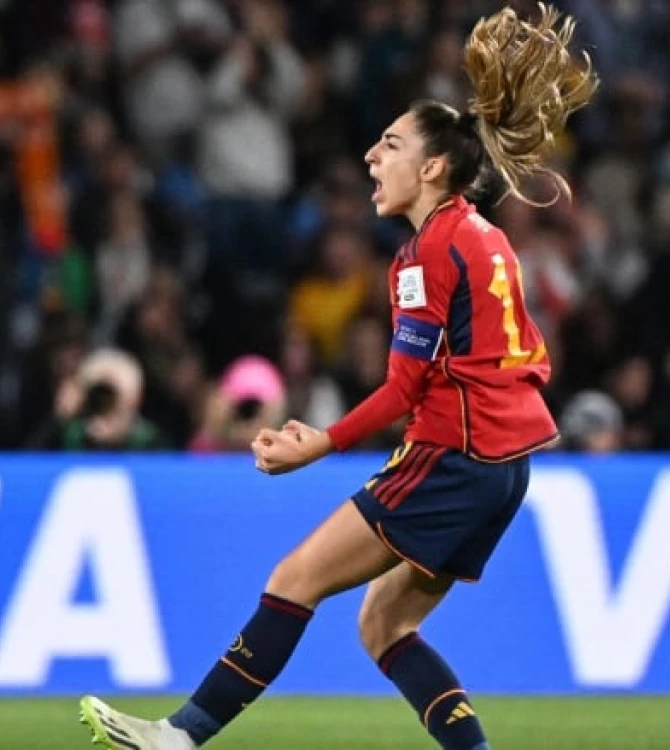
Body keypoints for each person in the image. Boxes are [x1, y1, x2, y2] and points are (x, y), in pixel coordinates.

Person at [78, 5, 597, 749]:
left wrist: (318, 443)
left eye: (389, 145)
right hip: (505, 467)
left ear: (434, 167)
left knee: (295, 577)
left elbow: (403, 391)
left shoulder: (425, 256)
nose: (369, 157)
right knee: (386, 623)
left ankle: (180, 737)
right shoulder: (485, 237)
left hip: (454, 456)